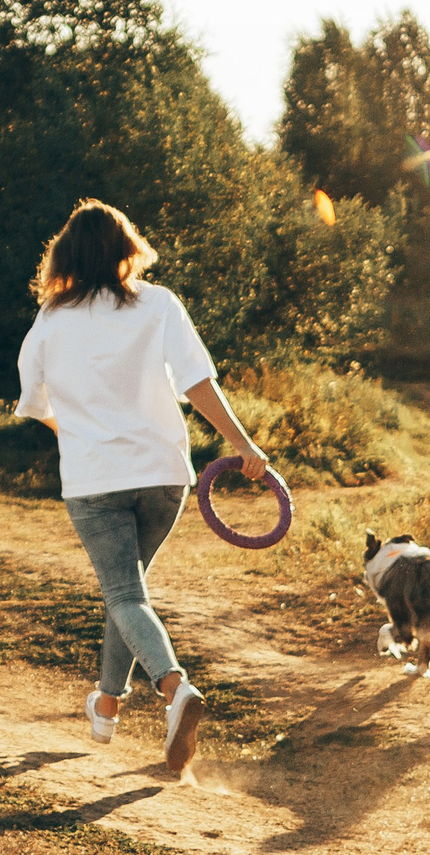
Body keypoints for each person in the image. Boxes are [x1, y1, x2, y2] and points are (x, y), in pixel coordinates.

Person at [14, 199, 270, 775]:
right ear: (128, 248)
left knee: (125, 596)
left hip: (95, 481)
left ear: (67, 255)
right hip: (162, 475)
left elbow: (34, 402)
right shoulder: (159, 304)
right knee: (127, 592)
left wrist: (78, 430)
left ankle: (175, 689)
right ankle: (106, 705)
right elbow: (198, 381)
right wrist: (243, 445)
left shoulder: (52, 319)